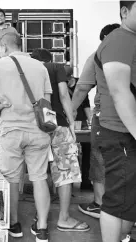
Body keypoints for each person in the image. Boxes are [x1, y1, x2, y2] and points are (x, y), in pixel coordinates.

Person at [0, 32, 52, 242]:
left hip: (11, 131)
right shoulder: (40, 66)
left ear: (4, 46)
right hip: (38, 130)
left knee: (11, 179)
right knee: (40, 178)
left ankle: (14, 224)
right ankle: (42, 228)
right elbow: (47, 102)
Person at [32, 48, 89, 233]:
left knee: (38, 174)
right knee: (65, 171)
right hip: (58, 125)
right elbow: (64, 95)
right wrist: (72, 123)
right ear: (50, 58)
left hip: (34, 126)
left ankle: (39, 217)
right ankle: (63, 218)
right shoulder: (56, 68)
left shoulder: (27, 69)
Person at [93, 1, 136, 242]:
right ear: (125, 12)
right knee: (117, 198)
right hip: (120, 132)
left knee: (128, 196)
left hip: (126, 131)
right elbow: (120, 92)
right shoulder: (120, 40)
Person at [72, 23, 120, 220]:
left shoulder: (97, 55)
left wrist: (70, 111)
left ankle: (100, 204)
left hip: (106, 117)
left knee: (99, 158)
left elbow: (82, 88)